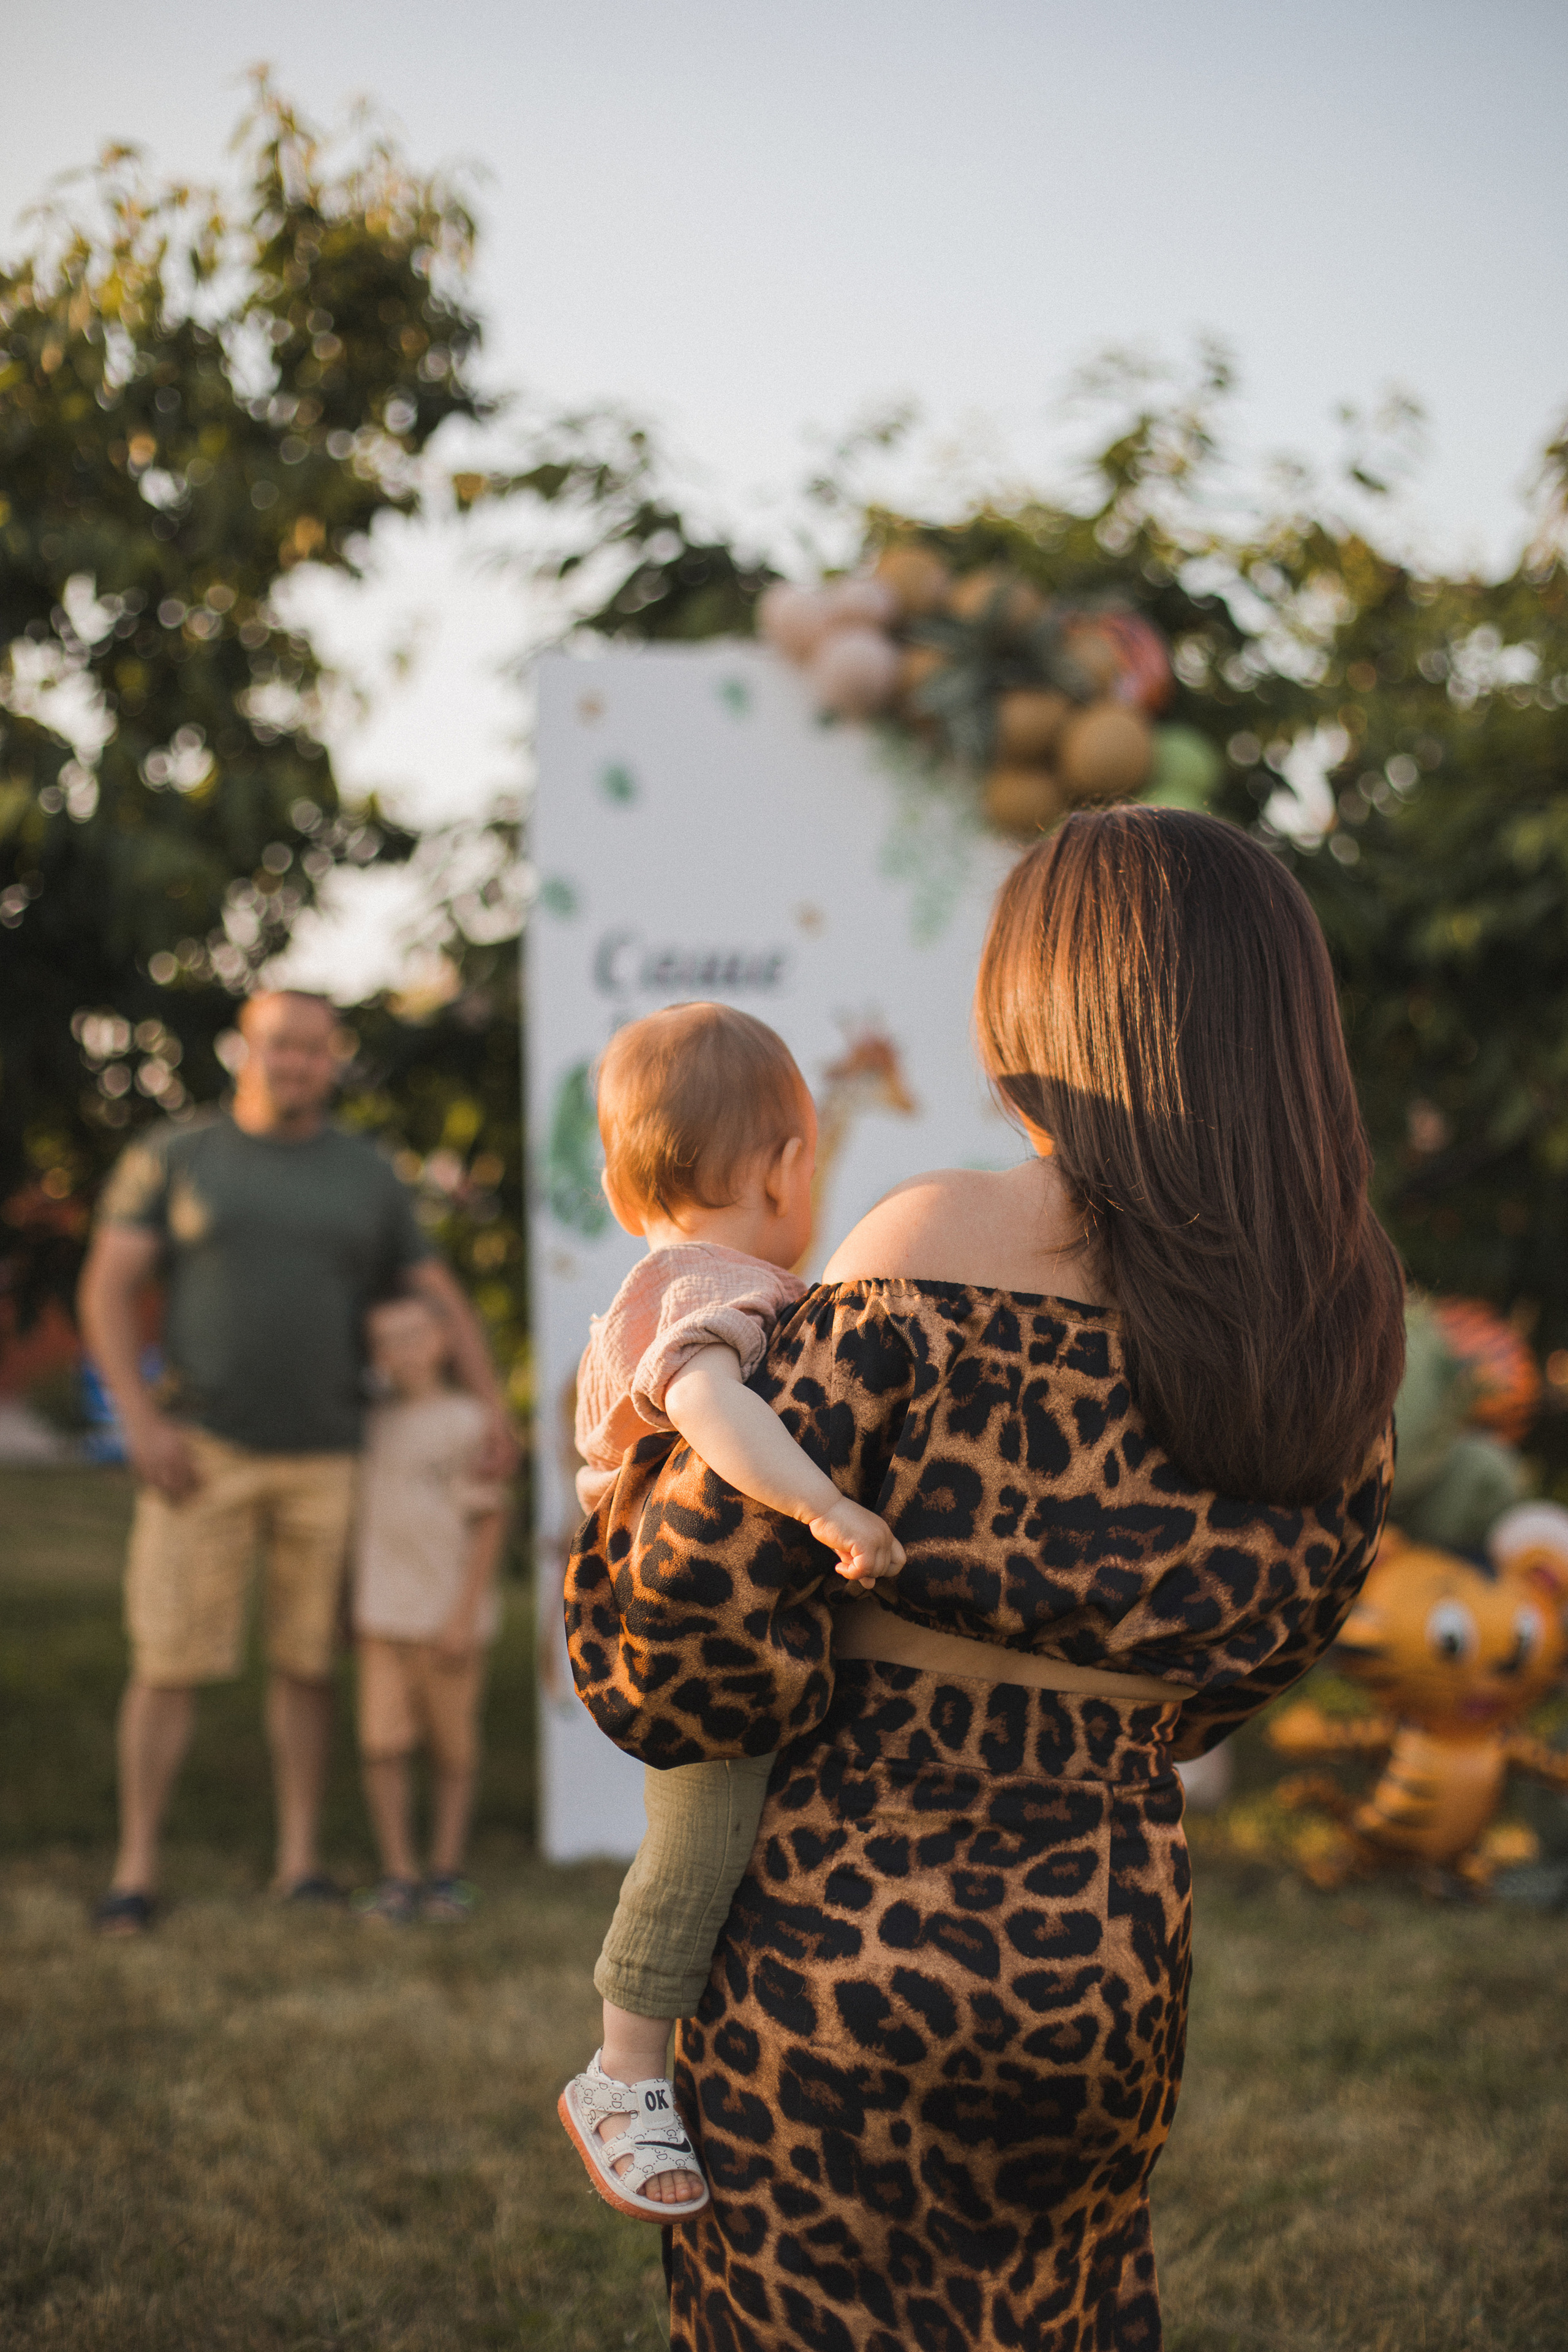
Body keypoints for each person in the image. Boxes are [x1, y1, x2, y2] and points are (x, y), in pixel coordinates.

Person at [564, 808, 1406, 2350]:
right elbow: (1253, 1657)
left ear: (1044, 1012)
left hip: (842, 1929)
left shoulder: (928, 1242)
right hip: (1106, 1939)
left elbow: (675, 1653)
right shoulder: (1327, 1320)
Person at [557, 1005, 903, 2220]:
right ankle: (622, 2072)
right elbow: (706, 1406)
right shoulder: (707, 1287)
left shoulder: (673, 1276)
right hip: (683, 1628)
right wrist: (823, 1510)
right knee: (700, 1831)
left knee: (737, 1820)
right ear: (785, 1168)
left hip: (691, 1616)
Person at [78, 989, 514, 1934]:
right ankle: (136, 1868)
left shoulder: (364, 1173)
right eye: (280, 1045)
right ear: (246, 1048)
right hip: (200, 1452)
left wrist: (488, 1404)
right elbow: (108, 1288)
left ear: (334, 1059)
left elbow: (435, 1290)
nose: (297, 1063)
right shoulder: (178, 1155)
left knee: (308, 1666)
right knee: (167, 1661)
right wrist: (136, 1421)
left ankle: (302, 1861)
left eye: (316, 1050)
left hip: (329, 1457)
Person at [351, 1293, 510, 1924]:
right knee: (382, 1745)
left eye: (415, 1335)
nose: (403, 1351)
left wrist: (463, 1613)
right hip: (382, 1618)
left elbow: (491, 1520)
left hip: (446, 1619)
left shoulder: (470, 1421)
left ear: (444, 1341)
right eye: (387, 1341)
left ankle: (446, 1872)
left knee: (452, 1751)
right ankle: (399, 1873)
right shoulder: (370, 1425)